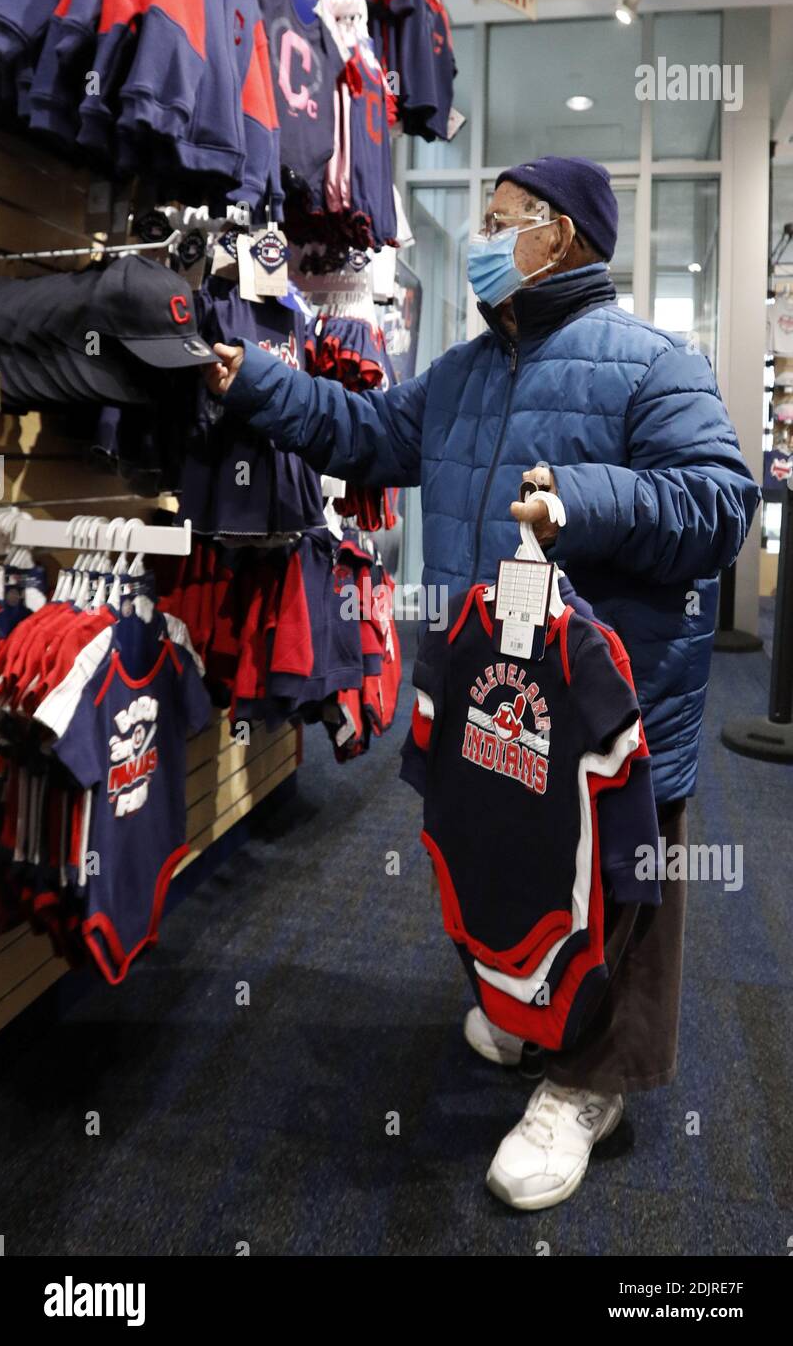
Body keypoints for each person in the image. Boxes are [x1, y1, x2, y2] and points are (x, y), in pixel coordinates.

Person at [205, 156, 760, 1211]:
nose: (483, 242)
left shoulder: (653, 363)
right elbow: (365, 434)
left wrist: (581, 501)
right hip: (491, 694)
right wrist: (256, 381)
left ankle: (589, 1083)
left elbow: (719, 504)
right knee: (499, 858)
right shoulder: (463, 372)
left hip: (613, 708)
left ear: (562, 238)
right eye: (484, 222)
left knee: (619, 892)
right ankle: (524, 1009)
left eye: (502, 223)